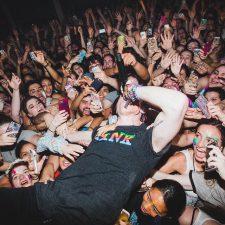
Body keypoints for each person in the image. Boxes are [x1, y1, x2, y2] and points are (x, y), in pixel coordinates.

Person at [0, 84, 188, 225]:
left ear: (142, 111)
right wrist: (54, 128)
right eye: (124, 96)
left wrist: (133, 90)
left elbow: (178, 104)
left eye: (135, 101)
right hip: (48, 195)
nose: (127, 97)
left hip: (86, 212)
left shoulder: (148, 138)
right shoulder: (101, 131)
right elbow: (64, 135)